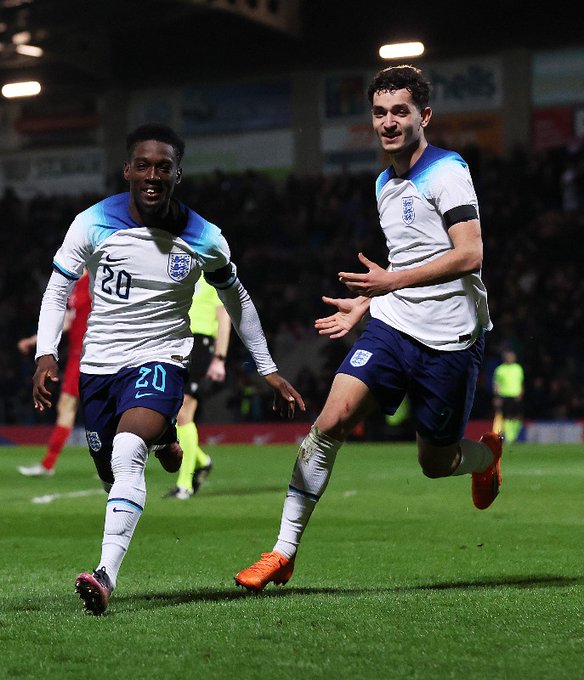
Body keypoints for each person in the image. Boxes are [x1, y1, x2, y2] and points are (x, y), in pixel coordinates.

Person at [234, 65, 502, 593]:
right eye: (380, 113)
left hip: (450, 341)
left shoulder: (447, 171)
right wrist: (367, 303)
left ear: (424, 116)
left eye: (399, 111)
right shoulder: (384, 182)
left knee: (435, 462)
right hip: (394, 326)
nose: (388, 122)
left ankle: (485, 456)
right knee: (329, 421)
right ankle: (283, 551)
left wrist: (388, 282)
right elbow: (406, 256)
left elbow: (469, 254)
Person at [31, 123, 305, 615]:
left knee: (127, 451)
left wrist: (267, 367)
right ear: (127, 170)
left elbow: (236, 300)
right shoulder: (91, 222)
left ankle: (105, 575)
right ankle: (166, 440)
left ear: (178, 174)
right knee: (109, 470)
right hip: (99, 367)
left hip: (161, 357)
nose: (152, 175)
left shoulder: (206, 237)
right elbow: (57, 289)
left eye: (164, 167)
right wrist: (45, 353)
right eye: (143, 165)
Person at [164, 273, 231, 500]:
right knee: (169, 415)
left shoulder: (212, 272)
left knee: (183, 414)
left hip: (200, 345)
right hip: (174, 342)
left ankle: (185, 484)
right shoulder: (178, 273)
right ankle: (202, 461)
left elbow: (224, 316)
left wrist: (220, 357)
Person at [17, 271, 92, 477]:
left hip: (95, 353)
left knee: (103, 408)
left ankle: (119, 460)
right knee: (67, 407)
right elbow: (67, 319)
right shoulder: (78, 286)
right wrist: (35, 341)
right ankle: (48, 464)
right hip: (78, 357)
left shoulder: (98, 278)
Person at [492, 349, 524, 444]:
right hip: (505, 395)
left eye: (512, 356)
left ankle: (514, 434)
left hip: (516, 395)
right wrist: (497, 397)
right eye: (509, 356)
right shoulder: (500, 369)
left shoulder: (518, 368)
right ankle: (510, 437)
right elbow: (496, 384)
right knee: (506, 416)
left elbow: (521, 382)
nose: (511, 358)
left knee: (517, 416)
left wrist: (521, 393)